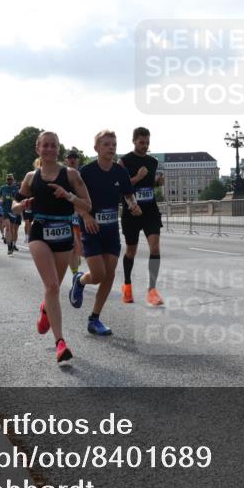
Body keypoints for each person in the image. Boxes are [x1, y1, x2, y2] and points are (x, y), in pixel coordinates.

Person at [14, 131, 92, 363]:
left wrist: (68, 196)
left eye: (53, 145)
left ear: (58, 149)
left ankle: (45, 309)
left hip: (64, 232)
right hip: (40, 231)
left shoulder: (71, 174)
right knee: (52, 286)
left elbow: (87, 205)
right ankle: (60, 343)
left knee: (53, 289)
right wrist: (24, 204)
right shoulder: (31, 177)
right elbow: (14, 205)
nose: (49, 149)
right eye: (45, 145)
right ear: (38, 148)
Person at [68, 130, 140, 336]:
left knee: (109, 274)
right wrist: (86, 216)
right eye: (106, 144)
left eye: (114, 144)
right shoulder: (86, 172)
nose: (111, 148)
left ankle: (94, 319)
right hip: (91, 229)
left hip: (111, 231)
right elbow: (73, 199)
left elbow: (128, 195)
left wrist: (133, 205)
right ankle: (80, 280)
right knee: (98, 275)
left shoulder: (120, 172)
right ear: (96, 148)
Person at [119, 127, 165, 306]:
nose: (145, 146)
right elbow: (121, 187)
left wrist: (157, 183)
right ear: (134, 141)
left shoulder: (153, 162)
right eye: (141, 142)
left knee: (155, 248)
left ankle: (152, 290)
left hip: (150, 210)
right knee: (131, 251)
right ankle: (127, 286)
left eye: (147, 142)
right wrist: (137, 177)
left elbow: (148, 183)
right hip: (131, 210)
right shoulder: (124, 161)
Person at [65, 149, 84, 275]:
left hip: (83, 211)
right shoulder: (61, 174)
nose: (72, 160)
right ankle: (75, 275)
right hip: (68, 212)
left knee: (79, 242)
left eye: (74, 157)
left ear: (78, 160)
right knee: (73, 242)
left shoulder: (84, 173)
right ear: (66, 160)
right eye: (70, 157)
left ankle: (78, 254)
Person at [0, 174, 23, 255]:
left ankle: (12, 243)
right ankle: (9, 246)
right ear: (6, 180)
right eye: (8, 179)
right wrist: (1, 200)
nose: (9, 181)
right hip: (6, 210)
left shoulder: (17, 188)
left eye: (11, 179)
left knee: (12, 229)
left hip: (14, 211)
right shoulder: (3, 188)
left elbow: (21, 198)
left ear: (13, 180)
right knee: (8, 228)